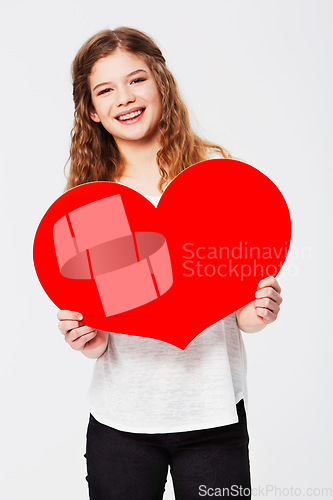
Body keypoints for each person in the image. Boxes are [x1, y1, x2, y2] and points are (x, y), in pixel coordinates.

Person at [57, 27, 283, 500]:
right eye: (106, 90)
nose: (125, 98)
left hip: (214, 415)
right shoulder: (94, 199)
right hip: (121, 421)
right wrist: (89, 340)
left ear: (161, 83)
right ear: (92, 112)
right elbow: (107, 323)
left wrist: (256, 312)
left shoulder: (215, 176)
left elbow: (235, 307)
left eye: (136, 79)